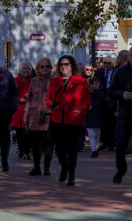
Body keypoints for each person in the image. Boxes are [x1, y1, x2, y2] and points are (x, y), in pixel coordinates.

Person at [46, 55, 91, 186]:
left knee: (71, 149)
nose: (63, 67)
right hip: (57, 119)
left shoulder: (80, 81)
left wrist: (81, 111)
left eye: (66, 64)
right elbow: (48, 98)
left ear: (72, 66)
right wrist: (50, 104)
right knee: (59, 149)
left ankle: (71, 174)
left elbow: (87, 100)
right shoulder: (54, 81)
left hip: (74, 121)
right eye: (61, 64)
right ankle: (64, 167)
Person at [24, 58, 54, 176]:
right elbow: (29, 99)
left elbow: (59, 98)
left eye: (47, 66)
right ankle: (36, 167)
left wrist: (52, 108)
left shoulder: (54, 81)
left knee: (48, 144)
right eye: (42, 67)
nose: (45, 69)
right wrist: (26, 116)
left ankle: (47, 167)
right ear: (38, 69)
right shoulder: (34, 81)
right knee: (36, 145)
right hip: (34, 117)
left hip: (49, 117)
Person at [109, 48, 132, 184]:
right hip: (125, 114)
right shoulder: (120, 71)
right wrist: (121, 94)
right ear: (128, 56)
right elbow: (111, 91)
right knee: (120, 145)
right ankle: (121, 170)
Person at [12, 62, 33, 160]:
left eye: (28, 69)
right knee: (20, 133)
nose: (26, 71)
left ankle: (26, 151)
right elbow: (10, 95)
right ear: (20, 70)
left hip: (30, 111)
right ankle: (21, 150)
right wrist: (20, 99)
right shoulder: (14, 81)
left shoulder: (33, 81)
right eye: (24, 69)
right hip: (18, 111)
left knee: (28, 132)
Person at [96, 56, 117, 152]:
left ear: (112, 63)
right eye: (105, 63)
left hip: (112, 98)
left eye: (109, 63)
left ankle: (111, 144)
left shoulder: (116, 72)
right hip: (102, 97)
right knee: (103, 123)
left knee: (112, 123)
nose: (107, 65)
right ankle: (104, 142)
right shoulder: (99, 72)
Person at [86, 77, 108, 158]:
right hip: (89, 116)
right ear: (90, 85)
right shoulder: (87, 93)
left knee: (97, 134)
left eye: (97, 83)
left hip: (98, 116)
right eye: (94, 84)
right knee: (91, 134)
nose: (96, 85)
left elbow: (106, 101)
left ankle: (96, 147)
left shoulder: (101, 93)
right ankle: (94, 150)